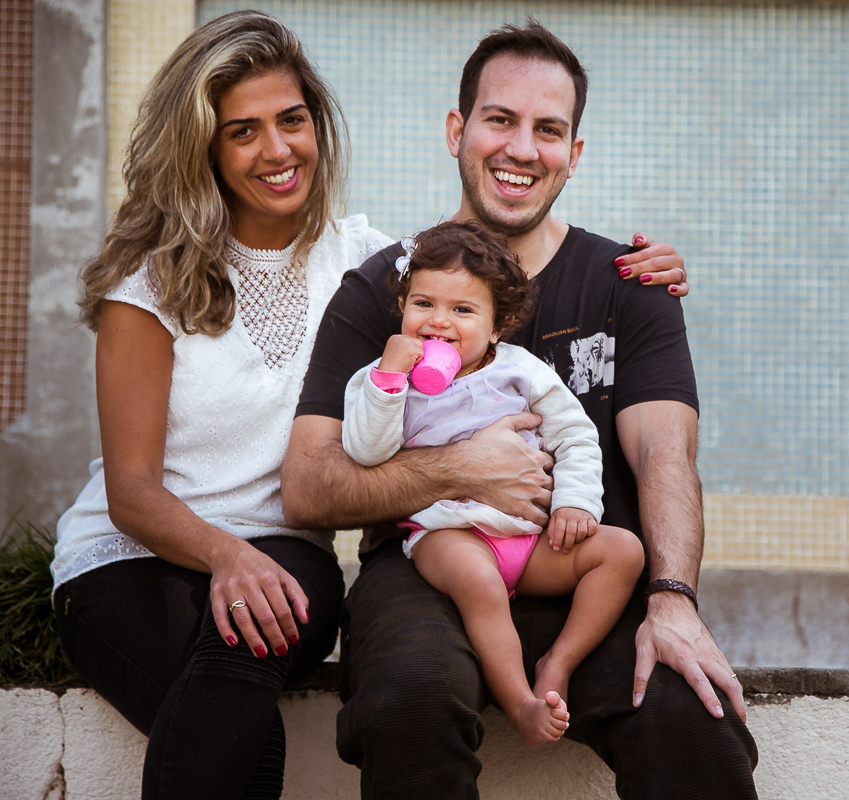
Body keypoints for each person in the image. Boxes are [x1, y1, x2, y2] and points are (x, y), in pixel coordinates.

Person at [51, 11, 683, 798]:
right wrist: (226, 555)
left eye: (292, 121)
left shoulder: (364, 262)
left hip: (287, 555)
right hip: (138, 559)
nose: (277, 149)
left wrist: (640, 269)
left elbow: (471, 271)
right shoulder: (150, 286)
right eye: (243, 131)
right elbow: (130, 490)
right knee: (243, 737)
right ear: (203, 147)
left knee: (237, 695)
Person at [283, 21, 759, 800]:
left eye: (549, 129)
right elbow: (307, 487)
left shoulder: (630, 285)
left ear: (574, 152)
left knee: (690, 719)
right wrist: (458, 470)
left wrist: (672, 599)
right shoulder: (386, 292)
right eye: (500, 119)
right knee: (409, 701)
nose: (522, 149)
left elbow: (664, 455)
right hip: (428, 569)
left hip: (581, 567)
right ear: (457, 131)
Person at [341, 219, 645, 748]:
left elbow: (575, 435)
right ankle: (520, 701)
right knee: (480, 585)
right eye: (423, 304)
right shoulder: (382, 379)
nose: (439, 321)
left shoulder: (520, 370)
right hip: (449, 535)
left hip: (528, 541)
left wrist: (575, 503)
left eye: (462, 310)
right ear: (403, 308)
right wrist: (388, 380)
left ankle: (559, 662)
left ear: (497, 326)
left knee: (623, 552)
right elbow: (366, 452)